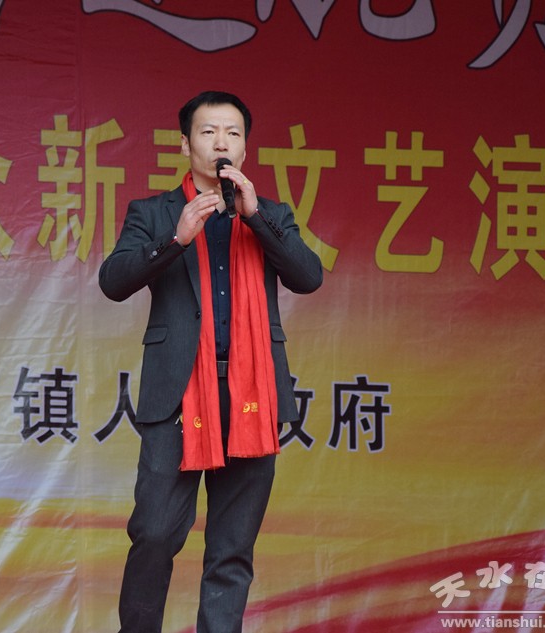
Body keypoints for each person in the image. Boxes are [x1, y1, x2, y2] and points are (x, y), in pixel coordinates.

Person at [98, 91, 323, 633]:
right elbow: (113, 281)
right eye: (208, 132)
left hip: (252, 394)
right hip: (178, 395)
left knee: (232, 547)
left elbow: (308, 277)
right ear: (185, 144)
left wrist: (256, 219)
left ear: (244, 148)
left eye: (233, 133)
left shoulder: (269, 214)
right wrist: (175, 239)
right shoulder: (153, 213)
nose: (221, 142)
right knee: (154, 533)